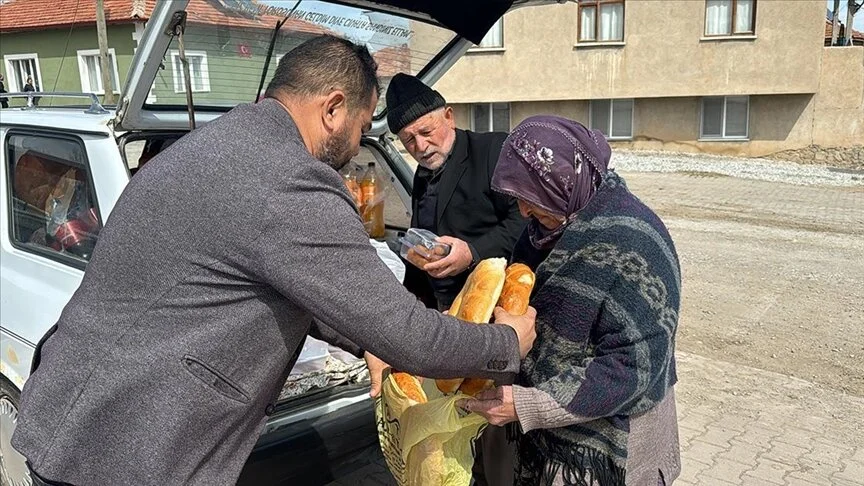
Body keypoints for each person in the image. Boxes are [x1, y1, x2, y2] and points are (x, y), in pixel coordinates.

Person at [11, 35, 537, 486]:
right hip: (133, 450)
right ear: (332, 108)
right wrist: (507, 342)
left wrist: (364, 339)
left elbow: (278, 279)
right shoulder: (288, 180)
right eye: (359, 128)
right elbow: (415, 338)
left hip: (76, 417)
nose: (356, 148)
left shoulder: (214, 145)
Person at [460, 116, 681, 486]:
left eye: (532, 198)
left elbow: (636, 366)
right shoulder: (543, 230)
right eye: (518, 199)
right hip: (544, 440)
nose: (524, 212)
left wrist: (530, 405)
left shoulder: (636, 243)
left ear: (567, 180)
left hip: (610, 450)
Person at [385, 73, 526, 311]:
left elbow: (525, 221)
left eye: (426, 132)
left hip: (493, 299)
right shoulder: (423, 173)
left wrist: (473, 252)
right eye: (409, 140)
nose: (420, 147)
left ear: (449, 117)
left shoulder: (493, 150)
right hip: (443, 305)